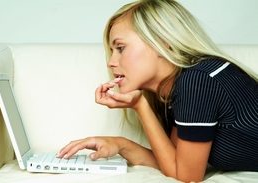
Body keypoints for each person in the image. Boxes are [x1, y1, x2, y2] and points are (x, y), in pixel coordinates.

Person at [57, 0, 258, 182]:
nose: (111, 63)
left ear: (163, 42)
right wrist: (120, 145)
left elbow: (187, 177)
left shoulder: (198, 81)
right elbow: (175, 164)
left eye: (120, 48)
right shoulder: (181, 85)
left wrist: (139, 105)